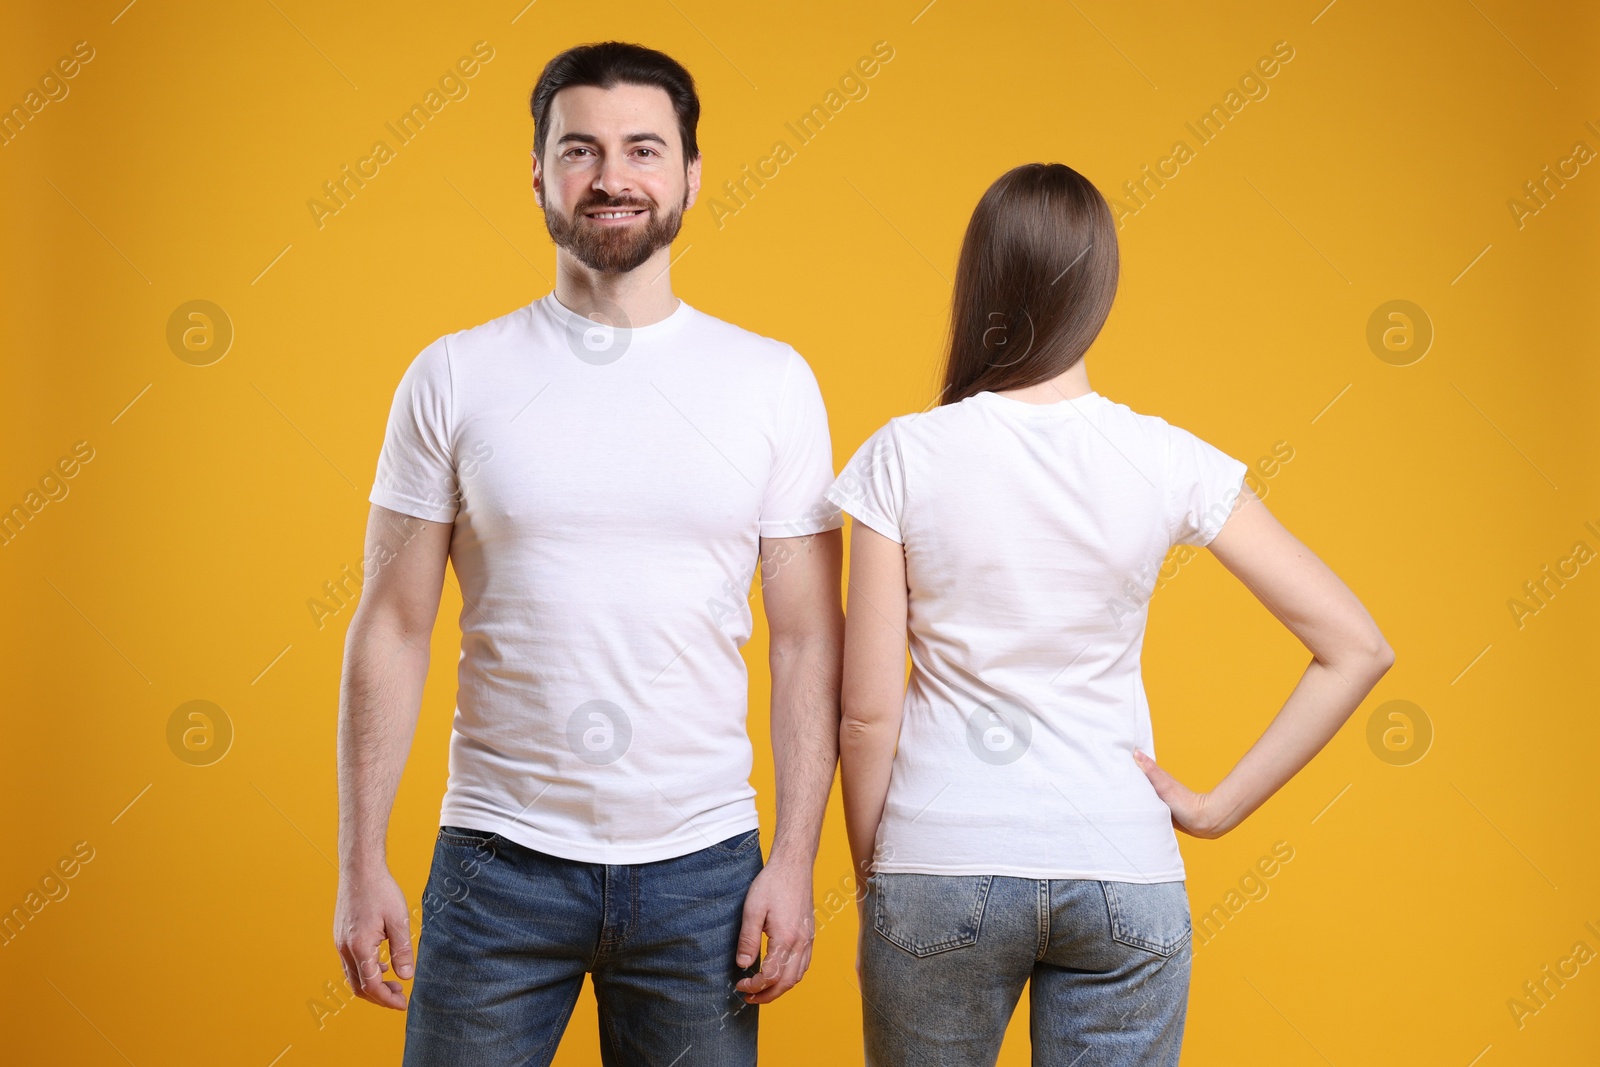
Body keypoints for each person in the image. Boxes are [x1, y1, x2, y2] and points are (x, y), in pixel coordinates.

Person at [331, 41, 845, 1067]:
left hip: (705, 868)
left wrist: (795, 860)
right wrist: (359, 860)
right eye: (581, 150)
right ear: (537, 173)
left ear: (692, 174)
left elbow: (804, 639)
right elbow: (391, 622)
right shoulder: (452, 376)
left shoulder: (771, 382)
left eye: (643, 149)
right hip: (494, 863)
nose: (613, 177)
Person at [826, 162, 1394, 1066]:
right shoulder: (1167, 458)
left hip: (942, 856)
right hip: (1123, 867)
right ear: (1100, 288)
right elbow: (1356, 646)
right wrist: (1214, 809)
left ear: (979, 284)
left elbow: (866, 712)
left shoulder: (905, 454)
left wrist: (881, 886)